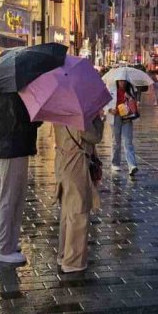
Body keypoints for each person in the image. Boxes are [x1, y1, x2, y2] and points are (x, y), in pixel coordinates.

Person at [0, 93, 40, 263]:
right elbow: (20, 120)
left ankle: (8, 240)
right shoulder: (9, 95)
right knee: (9, 196)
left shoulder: (11, 93)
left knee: (16, 196)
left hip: (16, 146)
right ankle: (2, 247)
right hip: (11, 147)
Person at [53, 117, 105, 273]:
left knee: (67, 212)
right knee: (78, 211)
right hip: (76, 164)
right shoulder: (78, 115)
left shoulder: (59, 111)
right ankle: (73, 261)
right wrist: (97, 119)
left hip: (62, 162)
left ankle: (63, 254)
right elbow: (95, 136)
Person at [108, 80, 140, 176]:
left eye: (124, 81)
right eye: (121, 81)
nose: (123, 83)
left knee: (128, 141)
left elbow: (135, 103)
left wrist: (129, 97)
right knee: (116, 141)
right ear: (117, 81)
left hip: (127, 116)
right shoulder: (110, 88)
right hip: (115, 116)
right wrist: (109, 109)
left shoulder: (130, 88)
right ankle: (115, 163)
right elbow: (104, 101)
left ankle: (132, 165)